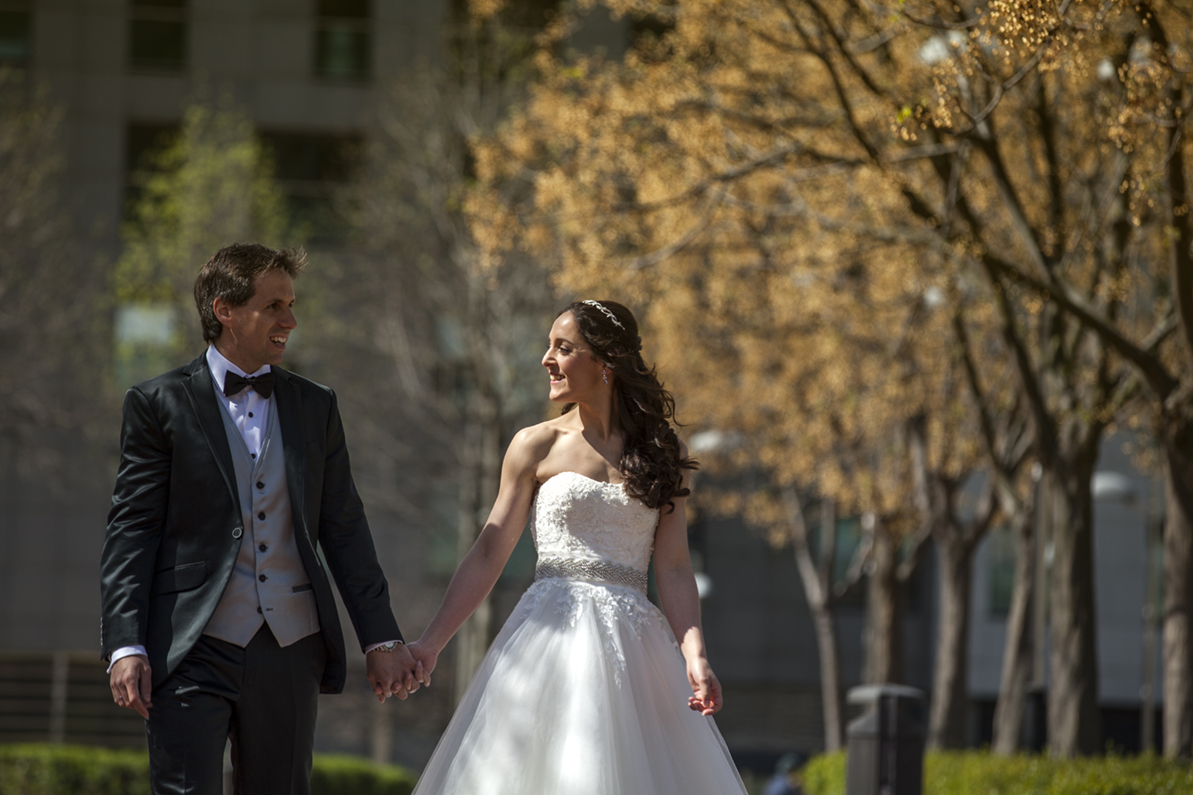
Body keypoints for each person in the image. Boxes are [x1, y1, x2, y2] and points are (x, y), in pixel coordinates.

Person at [101, 243, 427, 795]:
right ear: (224, 309)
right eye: (274, 305)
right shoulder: (158, 404)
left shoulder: (316, 405)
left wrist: (381, 640)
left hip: (290, 646)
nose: (290, 321)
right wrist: (126, 644)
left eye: (291, 304)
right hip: (190, 645)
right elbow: (132, 531)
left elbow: (344, 527)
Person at [404, 299, 748, 794]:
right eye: (549, 346)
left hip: (636, 651)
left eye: (563, 348)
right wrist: (430, 644)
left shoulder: (660, 452)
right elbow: (488, 551)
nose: (546, 359)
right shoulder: (534, 445)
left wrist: (695, 656)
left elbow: (673, 567)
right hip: (549, 637)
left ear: (605, 362)